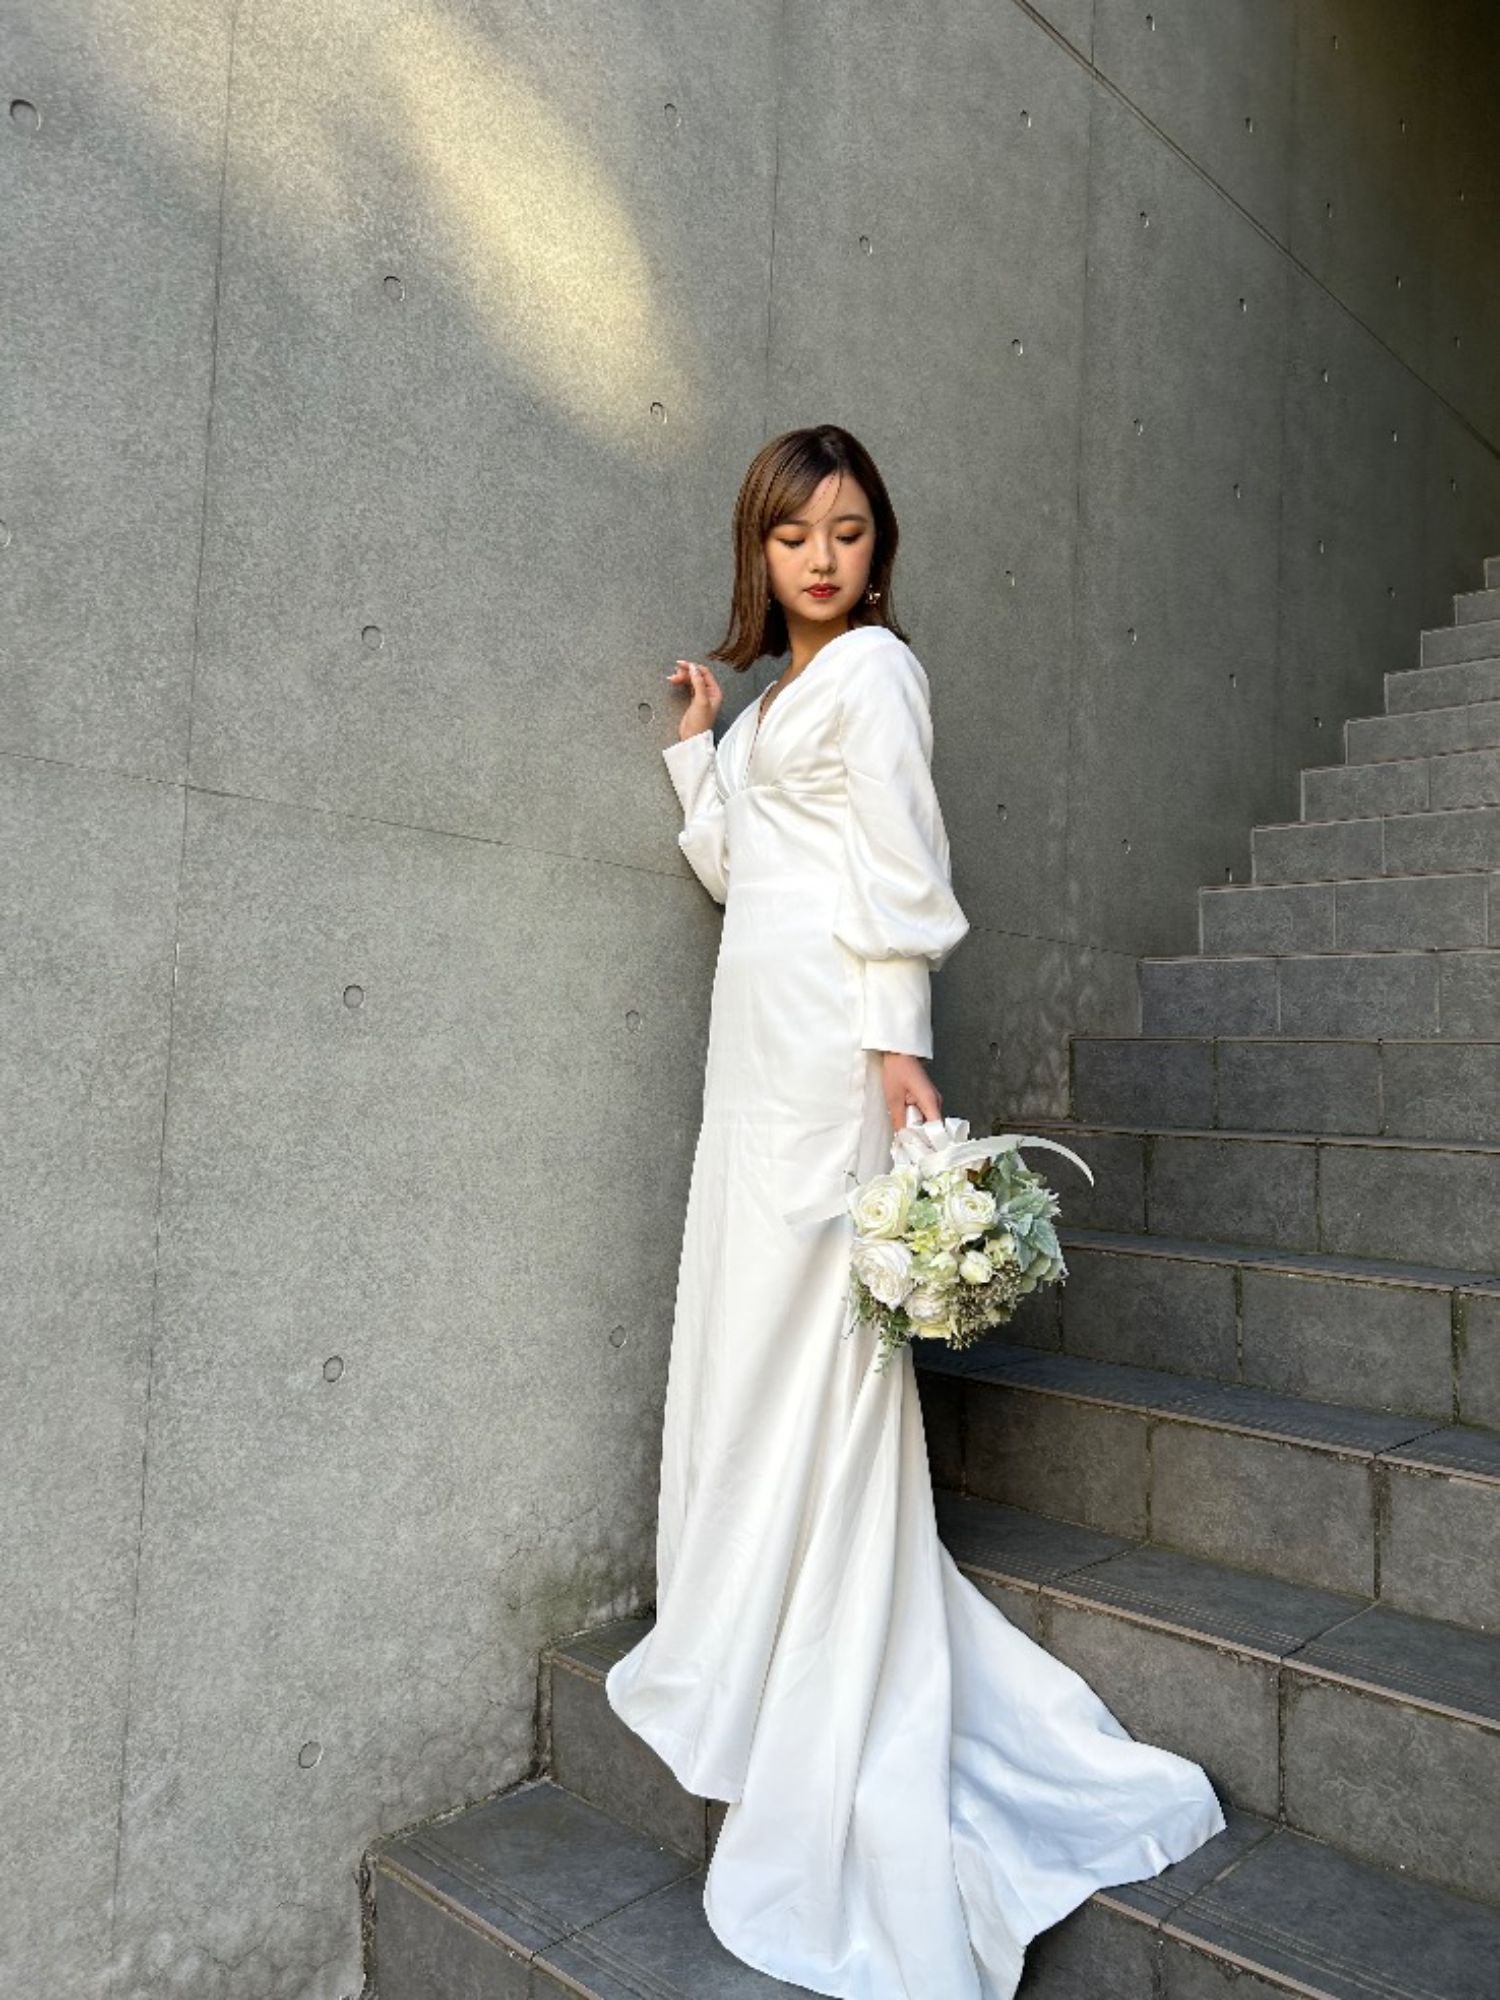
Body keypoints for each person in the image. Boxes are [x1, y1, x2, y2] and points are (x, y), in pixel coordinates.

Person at [605, 425, 1224, 1998]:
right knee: (746, 1323)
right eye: (793, 534)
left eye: (848, 531)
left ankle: (808, 1626)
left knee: (811, 1336)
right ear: (759, 550)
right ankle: (745, 1609)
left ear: (880, 546)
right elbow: (741, 871)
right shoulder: (776, 697)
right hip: (752, 1038)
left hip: (830, 1044)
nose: (822, 558)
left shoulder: (878, 675)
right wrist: (701, 746)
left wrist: (898, 1057)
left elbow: (900, 869)